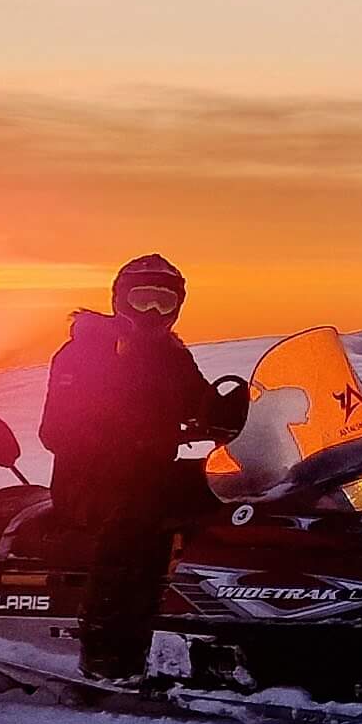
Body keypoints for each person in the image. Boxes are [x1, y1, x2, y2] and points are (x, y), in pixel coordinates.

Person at [40, 255, 230, 681]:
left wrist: (237, 416)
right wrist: (126, 439)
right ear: (120, 300)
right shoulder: (84, 353)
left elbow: (201, 401)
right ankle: (107, 644)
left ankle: (224, 611)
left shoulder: (172, 356)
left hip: (150, 475)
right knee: (138, 520)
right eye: (142, 299)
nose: (152, 312)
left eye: (164, 301)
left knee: (231, 491)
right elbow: (55, 430)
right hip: (87, 481)